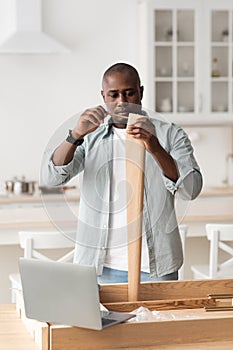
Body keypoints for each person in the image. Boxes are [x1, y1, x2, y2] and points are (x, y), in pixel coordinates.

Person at [45, 62, 203, 283]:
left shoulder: (169, 134)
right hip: (100, 267)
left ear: (141, 93)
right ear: (103, 96)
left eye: (129, 93)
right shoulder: (90, 136)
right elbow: (52, 177)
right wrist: (75, 135)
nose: (122, 102)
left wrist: (155, 147)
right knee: (102, 319)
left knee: (162, 319)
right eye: (114, 95)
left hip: (157, 267)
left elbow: (191, 189)